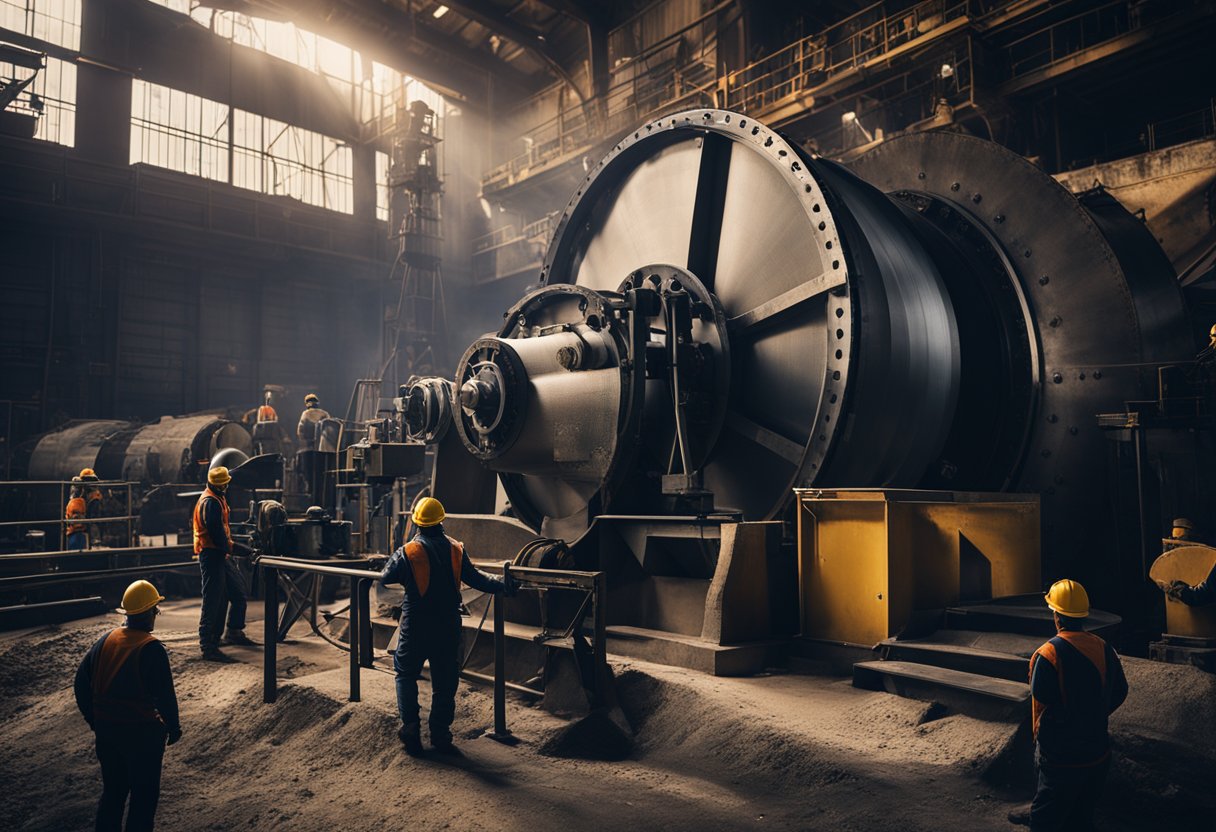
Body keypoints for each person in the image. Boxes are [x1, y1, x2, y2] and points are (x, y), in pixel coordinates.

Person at [379, 496, 515, 755]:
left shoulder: (408, 551)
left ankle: (410, 728)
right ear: (441, 521)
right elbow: (478, 579)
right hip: (447, 625)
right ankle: (440, 734)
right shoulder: (455, 549)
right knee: (445, 681)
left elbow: (386, 577)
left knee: (406, 674)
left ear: (417, 522)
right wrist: (504, 584)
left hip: (416, 624)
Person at [74, 579, 181, 832]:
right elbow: (165, 696)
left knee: (113, 793)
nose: (156, 613)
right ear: (149, 614)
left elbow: (80, 684)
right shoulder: (151, 649)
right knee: (143, 799)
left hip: (108, 734)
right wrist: (174, 727)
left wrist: (95, 720)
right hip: (141, 735)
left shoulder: (105, 640)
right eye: (155, 609)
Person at [1025, 579, 1128, 831]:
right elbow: (1121, 691)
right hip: (1097, 752)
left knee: (1045, 818)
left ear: (1056, 616)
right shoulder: (1104, 648)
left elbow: (1041, 694)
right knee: (1081, 818)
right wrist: (1094, 714)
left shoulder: (1049, 653)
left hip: (1061, 757)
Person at [193, 466, 255, 662]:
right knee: (213, 601)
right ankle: (208, 646)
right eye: (222, 485)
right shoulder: (210, 502)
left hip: (221, 554)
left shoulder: (216, 497)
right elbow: (219, 539)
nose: (225, 487)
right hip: (211, 555)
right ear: (215, 484)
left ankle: (234, 632)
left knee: (237, 593)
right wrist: (244, 550)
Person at [65, 475, 88, 551]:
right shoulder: (77, 502)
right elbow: (77, 520)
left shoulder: (75, 502)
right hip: (76, 533)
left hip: (75, 533)